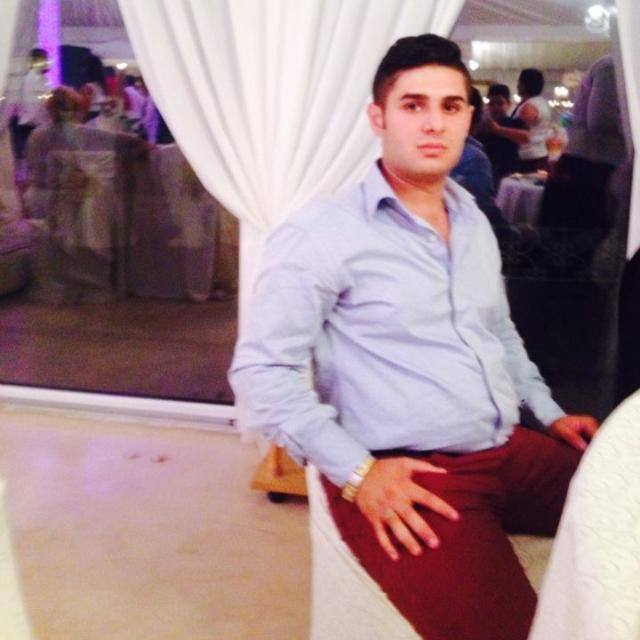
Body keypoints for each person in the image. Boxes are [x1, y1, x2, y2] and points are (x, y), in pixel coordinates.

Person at [229, 34, 598, 640]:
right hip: (406, 470)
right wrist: (359, 475)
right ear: (378, 117)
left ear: (469, 118)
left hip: (505, 446)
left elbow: (497, 330)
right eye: (413, 105)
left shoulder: (472, 216)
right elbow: (261, 372)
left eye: (450, 107)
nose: (434, 124)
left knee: (623, 502)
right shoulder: (322, 234)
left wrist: (549, 413)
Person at [477, 83, 528, 186]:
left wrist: (498, 130)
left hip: (508, 173)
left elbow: (525, 138)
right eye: (491, 103)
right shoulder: (482, 124)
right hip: (485, 171)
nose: (495, 107)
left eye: (499, 103)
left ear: (508, 104)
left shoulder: (515, 123)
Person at [10, 48, 52, 162]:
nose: (48, 62)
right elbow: (42, 104)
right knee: (34, 161)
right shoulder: (34, 80)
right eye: (45, 59)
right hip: (32, 127)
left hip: (33, 126)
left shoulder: (42, 80)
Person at [511, 68, 551, 172]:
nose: (517, 85)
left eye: (519, 81)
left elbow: (522, 134)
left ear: (524, 84)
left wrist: (497, 128)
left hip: (529, 157)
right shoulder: (540, 102)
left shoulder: (529, 106)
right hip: (538, 153)